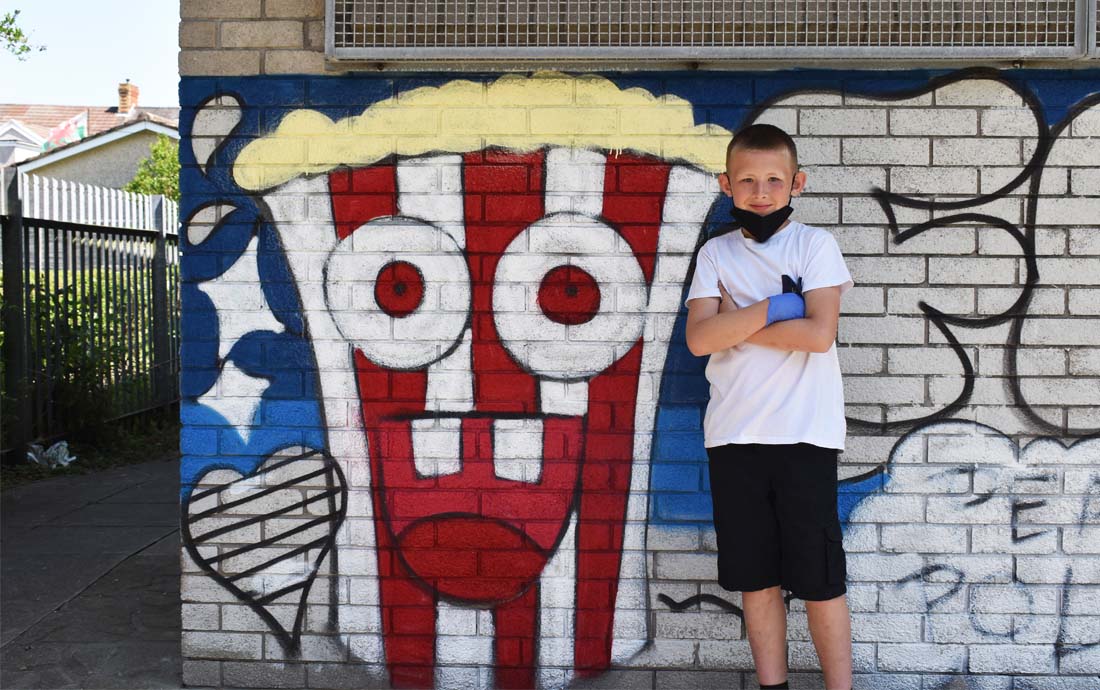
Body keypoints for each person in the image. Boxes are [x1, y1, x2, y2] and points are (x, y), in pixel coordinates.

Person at [684, 123, 855, 690]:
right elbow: (698, 340)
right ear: (725, 184)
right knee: (755, 580)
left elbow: (817, 335)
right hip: (735, 438)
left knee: (820, 579)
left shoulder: (814, 245)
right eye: (748, 180)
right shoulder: (715, 253)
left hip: (806, 435)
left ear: (797, 183)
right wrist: (780, 307)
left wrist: (736, 319)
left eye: (774, 180)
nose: (761, 192)